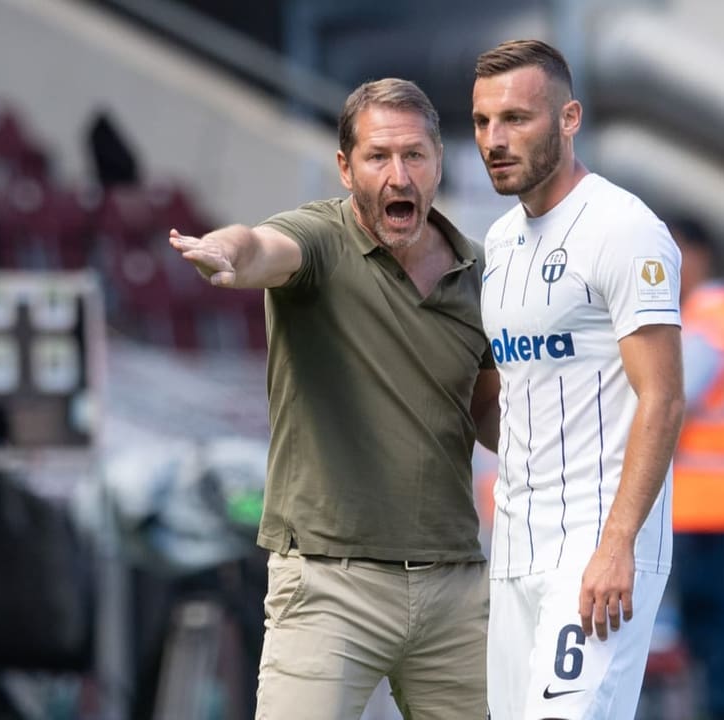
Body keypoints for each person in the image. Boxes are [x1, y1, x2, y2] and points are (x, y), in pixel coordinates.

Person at [169, 78, 499, 719]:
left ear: (438, 163)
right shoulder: (319, 240)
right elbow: (263, 247)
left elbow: (489, 414)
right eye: (378, 157)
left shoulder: (483, 272)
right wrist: (226, 252)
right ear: (346, 168)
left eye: (414, 156)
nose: (397, 174)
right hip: (328, 585)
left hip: (455, 583)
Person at [470, 39, 686, 719]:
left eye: (517, 119)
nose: (495, 140)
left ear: (569, 119)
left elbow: (665, 396)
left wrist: (617, 543)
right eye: (481, 122)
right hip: (514, 545)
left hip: (599, 546)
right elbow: (505, 403)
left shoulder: (624, 230)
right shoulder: (499, 243)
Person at [666, 216, 724, 720]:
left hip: (705, 504)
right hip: (705, 502)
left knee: (708, 620)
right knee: (708, 619)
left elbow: (674, 393)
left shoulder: (712, 317)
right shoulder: (714, 315)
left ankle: (722, 708)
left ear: (697, 255)